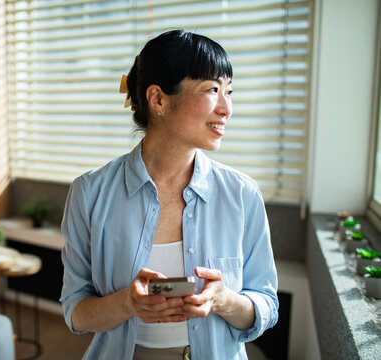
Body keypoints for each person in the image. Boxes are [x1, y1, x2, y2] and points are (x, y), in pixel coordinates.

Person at [60, 29, 278, 360]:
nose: (226, 108)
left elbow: (266, 305)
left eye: (229, 92)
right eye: (212, 90)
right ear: (158, 99)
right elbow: (76, 311)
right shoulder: (90, 193)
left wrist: (223, 300)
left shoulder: (241, 194)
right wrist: (127, 303)